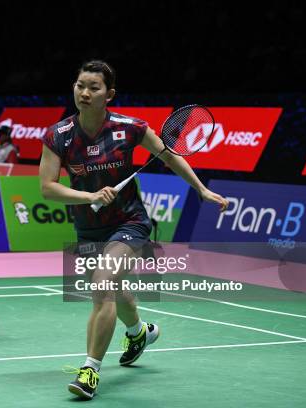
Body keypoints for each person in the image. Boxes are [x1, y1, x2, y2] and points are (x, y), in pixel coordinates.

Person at [39, 60, 228, 399]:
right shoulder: (58, 135)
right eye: (80, 85)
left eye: (94, 87)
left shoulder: (131, 128)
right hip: (89, 226)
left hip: (129, 222)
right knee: (114, 290)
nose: (84, 92)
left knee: (102, 285)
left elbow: (169, 156)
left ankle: (90, 372)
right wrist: (89, 195)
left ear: (109, 94)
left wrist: (200, 189)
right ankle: (139, 332)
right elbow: (47, 188)